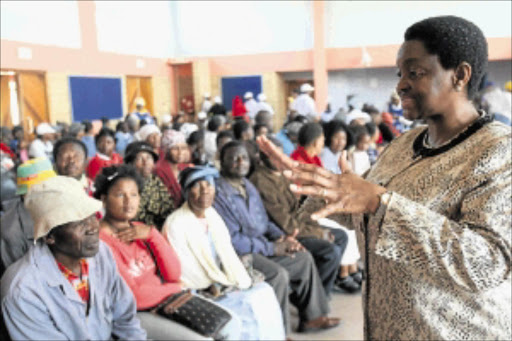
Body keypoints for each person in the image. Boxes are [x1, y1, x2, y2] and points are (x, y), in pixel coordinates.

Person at [257, 15, 512, 340]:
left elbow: (489, 264)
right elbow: (361, 207)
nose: (401, 84)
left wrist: (383, 202)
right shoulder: (404, 145)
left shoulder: (498, 151)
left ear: (460, 75)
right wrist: (311, 184)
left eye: (415, 73)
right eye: (400, 73)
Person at [95, 165, 240, 340]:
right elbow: (133, 297)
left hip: (168, 301)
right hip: (137, 313)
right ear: (104, 199)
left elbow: (173, 274)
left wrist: (152, 235)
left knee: (233, 324)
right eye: (120, 195)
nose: (129, 201)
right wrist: (173, 289)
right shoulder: (100, 242)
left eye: (134, 195)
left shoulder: (141, 230)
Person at [213, 141, 340, 334]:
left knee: (303, 258)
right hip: (240, 254)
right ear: (222, 162)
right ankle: (280, 333)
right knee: (277, 274)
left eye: (244, 158)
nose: (240, 162)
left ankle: (312, 317)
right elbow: (234, 241)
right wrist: (273, 248)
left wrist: (282, 237)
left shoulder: (246, 185)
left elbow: (263, 221)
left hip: (262, 244)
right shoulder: (218, 193)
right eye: (234, 158)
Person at [1, 176, 146, 340]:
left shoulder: (101, 254)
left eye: (92, 215)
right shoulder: (24, 291)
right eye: (78, 222)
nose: (92, 227)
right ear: (50, 236)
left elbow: (126, 320)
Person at [163, 166, 285, 340]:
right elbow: (186, 272)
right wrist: (220, 283)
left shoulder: (212, 215)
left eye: (209, 185)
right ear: (187, 192)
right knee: (247, 305)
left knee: (264, 292)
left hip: (221, 279)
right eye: (197, 186)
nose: (205, 190)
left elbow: (226, 253)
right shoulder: (176, 223)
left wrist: (232, 276)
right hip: (200, 289)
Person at [250, 137, 350, 295]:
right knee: (330, 251)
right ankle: (318, 297)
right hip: (284, 233)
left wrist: (316, 226)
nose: (279, 159)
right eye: (273, 155)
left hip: (299, 224)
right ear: (263, 156)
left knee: (341, 236)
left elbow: (297, 209)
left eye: (280, 155)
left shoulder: (280, 173)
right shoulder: (261, 182)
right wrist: (318, 233)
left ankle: (320, 286)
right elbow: (286, 224)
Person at [0, 158, 57, 273]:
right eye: (41, 191)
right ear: (24, 195)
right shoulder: (11, 231)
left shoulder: (58, 207)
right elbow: (18, 278)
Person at [124, 141, 174, 230]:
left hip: (156, 232)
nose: (145, 162)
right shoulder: (124, 185)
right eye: (139, 158)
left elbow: (168, 209)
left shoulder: (155, 181)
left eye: (149, 158)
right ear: (130, 163)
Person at [154, 129, 192, 208]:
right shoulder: (159, 171)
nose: (180, 152)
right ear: (167, 150)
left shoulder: (184, 168)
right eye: (175, 148)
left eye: (183, 148)